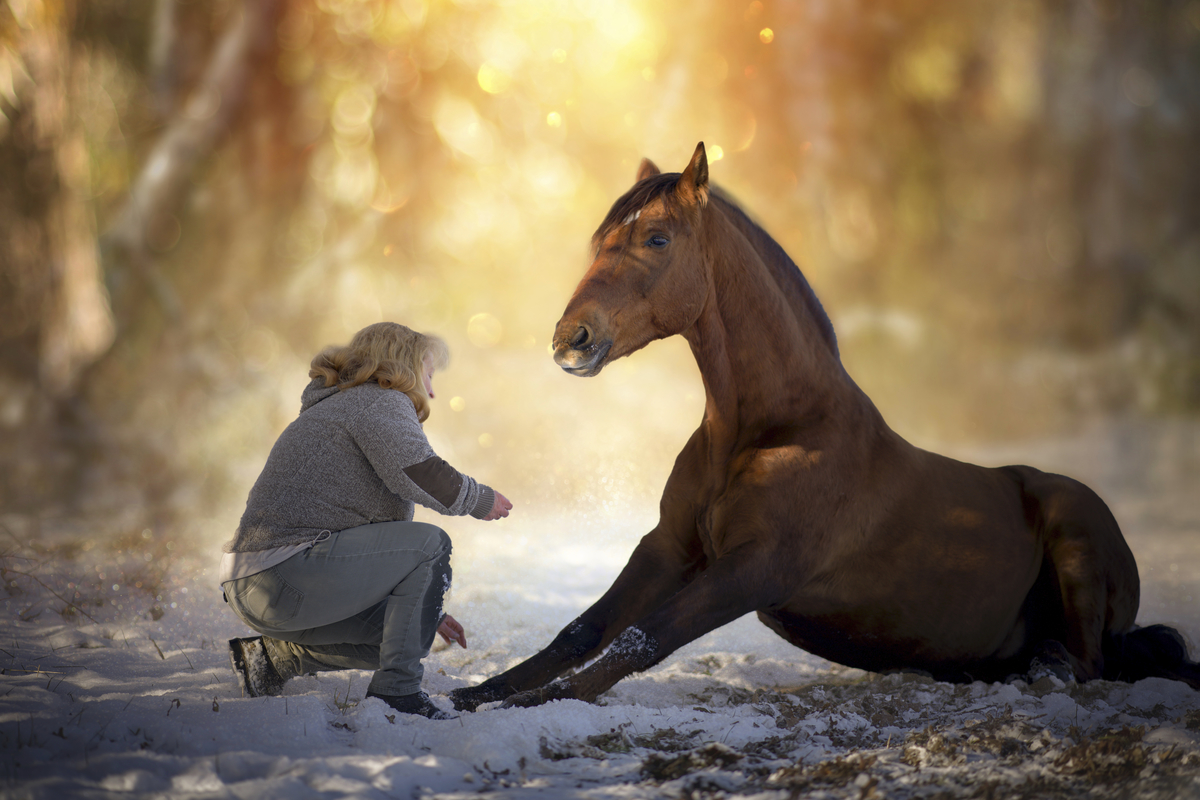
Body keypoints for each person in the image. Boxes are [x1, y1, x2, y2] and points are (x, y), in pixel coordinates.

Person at [219, 321, 512, 720]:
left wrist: (427, 610)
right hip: (281, 577)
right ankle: (398, 694)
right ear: (405, 366)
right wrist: (480, 498)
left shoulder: (349, 406)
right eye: (429, 372)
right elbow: (417, 472)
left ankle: (272, 659)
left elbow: (367, 539)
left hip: (262, 583)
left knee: (408, 636)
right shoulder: (378, 401)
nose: (432, 389)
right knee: (430, 544)